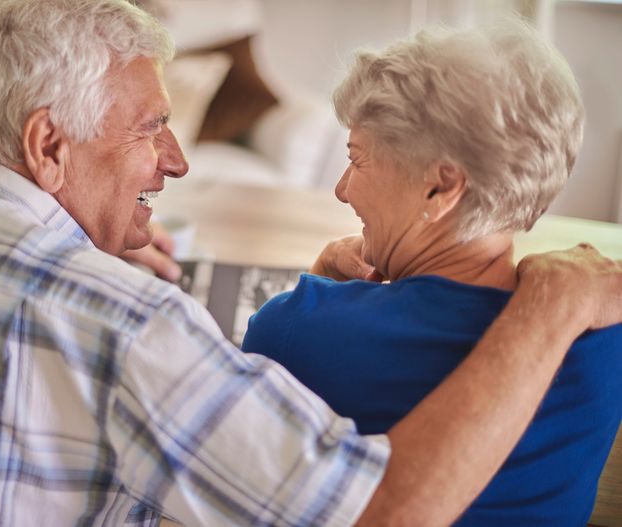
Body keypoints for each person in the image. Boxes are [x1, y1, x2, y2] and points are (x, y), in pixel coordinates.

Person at [0, 2, 620, 526]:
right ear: (49, 147)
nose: (175, 161)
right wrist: (548, 310)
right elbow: (381, 512)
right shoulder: (131, 328)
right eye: (151, 127)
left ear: (443, 186)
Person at [242, 19, 622, 527]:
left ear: (441, 188)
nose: (341, 189)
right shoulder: (604, 339)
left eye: (357, 160)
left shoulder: (295, 332)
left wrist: (317, 294)